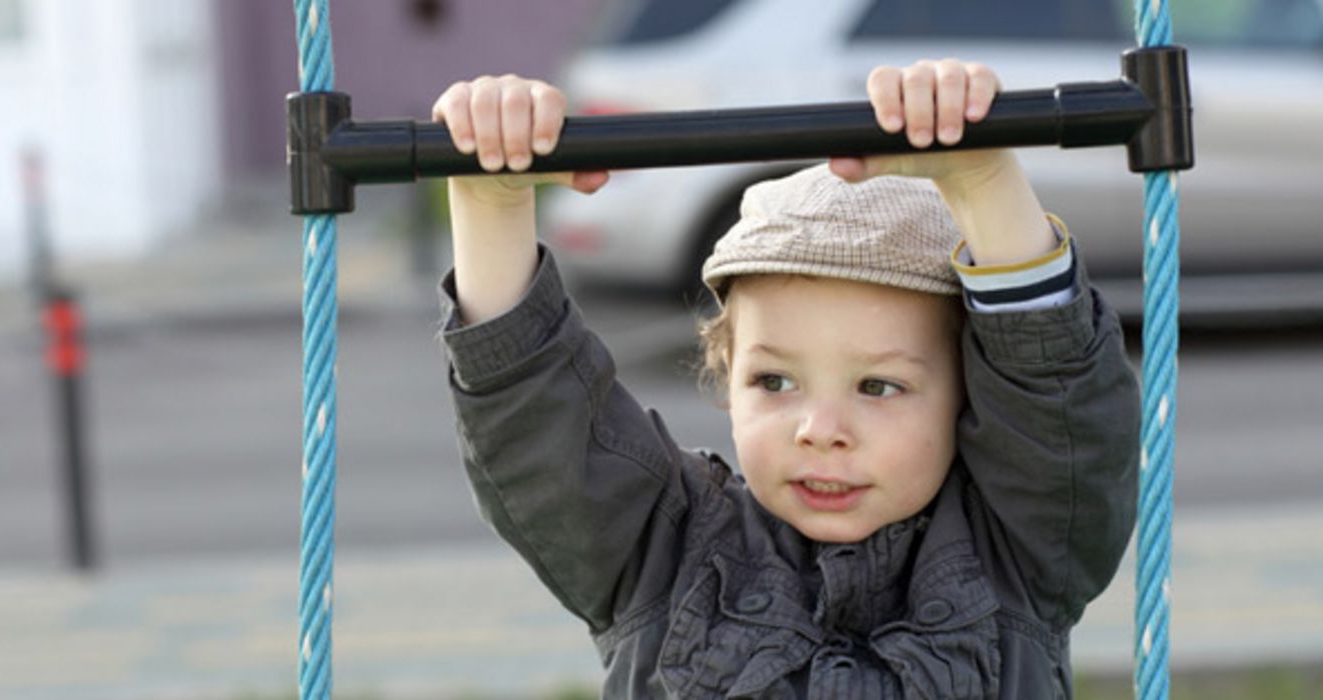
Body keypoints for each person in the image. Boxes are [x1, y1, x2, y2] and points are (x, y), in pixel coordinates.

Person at [432, 60, 1139, 698]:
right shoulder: (658, 553)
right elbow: (538, 432)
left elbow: (1055, 402)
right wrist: (491, 203)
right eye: (774, 381)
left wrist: (982, 182)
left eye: (877, 386)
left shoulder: (1022, 550)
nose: (819, 431)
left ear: (969, 398)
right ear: (725, 375)